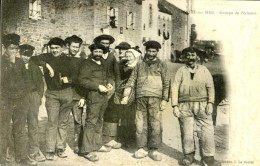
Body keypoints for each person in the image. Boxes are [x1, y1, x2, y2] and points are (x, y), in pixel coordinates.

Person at [121, 40, 170, 161]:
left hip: (155, 98)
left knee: (155, 124)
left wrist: (164, 99)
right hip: (140, 97)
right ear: (145, 51)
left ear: (157, 52)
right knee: (140, 123)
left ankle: (154, 149)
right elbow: (132, 79)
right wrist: (126, 95)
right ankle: (141, 148)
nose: (151, 53)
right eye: (149, 50)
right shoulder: (139, 64)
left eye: (154, 51)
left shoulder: (162, 64)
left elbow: (166, 83)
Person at [171, 47, 216, 166]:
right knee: (186, 132)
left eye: (193, 55)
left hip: (202, 104)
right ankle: (188, 156)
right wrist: (175, 105)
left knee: (207, 131)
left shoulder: (204, 70)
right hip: (184, 105)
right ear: (184, 57)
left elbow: (210, 87)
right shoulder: (180, 71)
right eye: (188, 55)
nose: (190, 58)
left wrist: (211, 103)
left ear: (197, 57)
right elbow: (175, 88)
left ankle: (208, 158)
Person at [30, 37, 73, 160]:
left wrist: (68, 80)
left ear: (62, 48)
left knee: (63, 122)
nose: (54, 50)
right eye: (52, 48)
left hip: (67, 93)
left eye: (57, 48)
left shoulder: (67, 59)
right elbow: (33, 59)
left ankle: (60, 148)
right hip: (52, 94)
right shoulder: (46, 57)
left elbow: (75, 75)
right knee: (52, 121)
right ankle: (49, 150)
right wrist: (46, 65)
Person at [0, 34, 36, 165]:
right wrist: (11, 64)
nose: (14, 51)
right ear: (5, 48)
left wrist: (24, 97)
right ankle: (2, 157)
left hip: (20, 100)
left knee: (20, 129)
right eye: (11, 48)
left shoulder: (20, 62)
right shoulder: (2, 62)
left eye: (15, 49)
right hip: (5, 100)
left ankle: (21, 156)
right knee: (3, 128)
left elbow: (26, 81)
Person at [78, 43, 113, 162]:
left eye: (100, 52)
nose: (98, 54)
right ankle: (87, 150)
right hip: (93, 97)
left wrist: (109, 83)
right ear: (92, 52)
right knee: (91, 122)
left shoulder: (103, 63)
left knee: (99, 121)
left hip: (103, 97)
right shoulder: (87, 64)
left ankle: (96, 145)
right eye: (96, 51)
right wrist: (97, 86)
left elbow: (108, 76)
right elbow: (82, 80)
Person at [93, 34, 122, 149]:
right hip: (97, 88)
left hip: (110, 88)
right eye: (102, 43)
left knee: (110, 112)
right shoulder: (94, 55)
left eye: (107, 44)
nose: (105, 45)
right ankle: (97, 140)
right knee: (97, 114)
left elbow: (116, 73)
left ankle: (109, 138)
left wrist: (116, 85)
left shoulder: (111, 57)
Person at [19, 44, 46, 162]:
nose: (26, 57)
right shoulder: (15, 65)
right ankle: (20, 152)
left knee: (33, 124)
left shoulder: (34, 67)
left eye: (28, 55)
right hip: (20, 98)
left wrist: (38, 96)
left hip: (33, 96)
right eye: (24, 55)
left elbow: (40, 83)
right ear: (20, 54)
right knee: (19, 125)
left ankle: (34, 150)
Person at [65, 35, 87, 154]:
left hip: (77, 96)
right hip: (64, 95)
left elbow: (84, 81)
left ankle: (78, 145)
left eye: (76, 47)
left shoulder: (83, 62)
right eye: (73, 46)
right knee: (62, 121)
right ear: (68, 46)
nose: (74, 49)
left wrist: (83, 97)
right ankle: (60, 146)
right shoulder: (63, 59)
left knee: (78, 121)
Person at [116, 49, 140, 147]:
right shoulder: (123, 66)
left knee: (132, 116)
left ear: (135, 57)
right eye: (127, 56)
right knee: (123, 116)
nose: (128, 58)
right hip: (123, 91)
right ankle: (122, 138)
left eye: (131, 56)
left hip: (134, 92)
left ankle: (132, 139)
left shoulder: (138, 66)